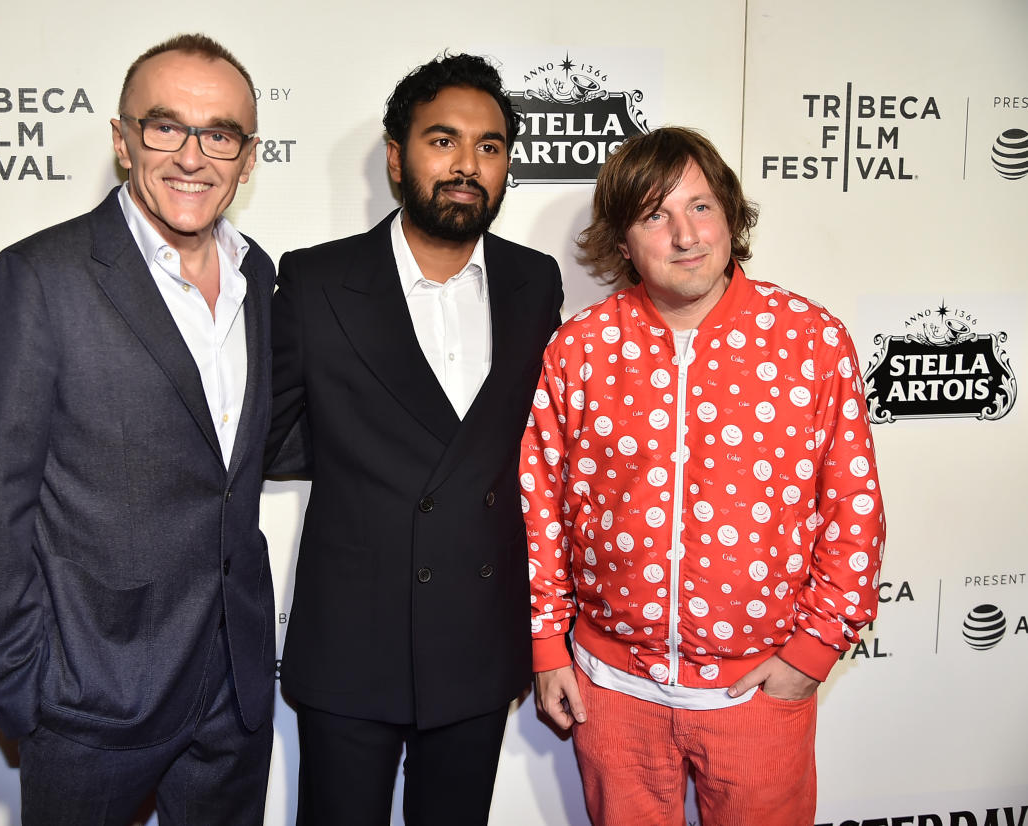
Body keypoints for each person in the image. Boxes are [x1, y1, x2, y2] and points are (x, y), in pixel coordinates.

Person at [0, 33, 277, 826]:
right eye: (165, 127)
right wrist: (27, 691)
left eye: (220, 134)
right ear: (123, 140)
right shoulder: (39, 279)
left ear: (248, 155)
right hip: (90, 701)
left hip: (234, 695)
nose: (192, 156)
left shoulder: (260, 276)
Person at [522, 126, 885, 826]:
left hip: (756, 696)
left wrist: (812, 652)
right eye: (655, 215)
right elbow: (541, 505)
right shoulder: (581, 348)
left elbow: (853, 506)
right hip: (613, 695)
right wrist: (546, 644)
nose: (685, 235)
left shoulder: (809, 340)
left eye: (701, 206)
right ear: (623, 242)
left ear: (729, 217)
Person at [268, 53, 563, 826]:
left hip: (477, 637)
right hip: (351, 645)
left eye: (490, 148)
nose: (468, 165)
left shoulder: (537, 285)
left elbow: (543, 447)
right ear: (398, 158)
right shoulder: (317, 281)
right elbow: (264, 439)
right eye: (444, 141)